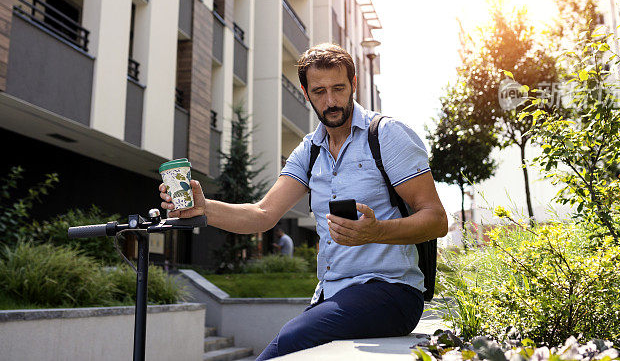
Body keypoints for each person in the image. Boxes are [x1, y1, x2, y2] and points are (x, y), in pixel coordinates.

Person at [159, 42, 448, 360]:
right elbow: (262, 214)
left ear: (354, 84)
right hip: (332, 296)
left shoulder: (387, 135)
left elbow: (436, 219)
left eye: (339, 88)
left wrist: (376, 231)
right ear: (305, 92)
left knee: (289, 341)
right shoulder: (309, 151)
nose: (331, 101)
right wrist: (205, 208)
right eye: (319, 91)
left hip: (392, 292)